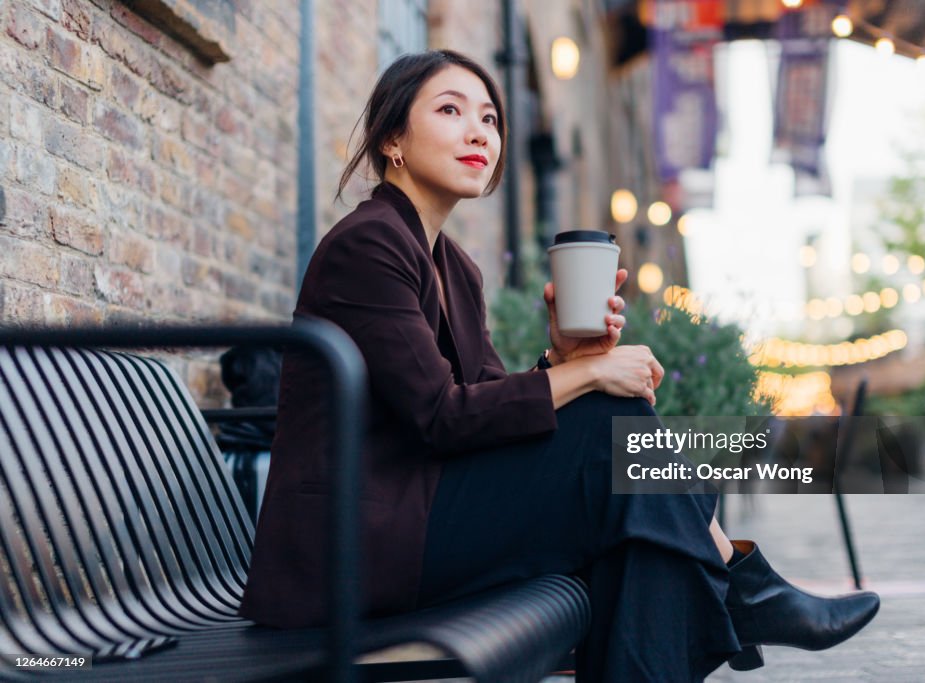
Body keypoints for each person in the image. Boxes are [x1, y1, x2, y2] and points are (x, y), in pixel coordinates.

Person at [239, 49, 880, 681]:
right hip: (355, 547)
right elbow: (441, 418)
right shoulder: (369, 243)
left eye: (489, 118)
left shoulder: (454, 267)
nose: (478, 132)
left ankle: (746, 590)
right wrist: (589, 376)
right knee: (620, 446)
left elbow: (483, 399)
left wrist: (562, 360)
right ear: (392, 140)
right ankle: (743, 587)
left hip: (419, 517)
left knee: (633, 490)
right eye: (450, 110)